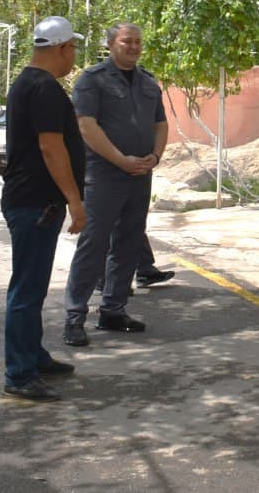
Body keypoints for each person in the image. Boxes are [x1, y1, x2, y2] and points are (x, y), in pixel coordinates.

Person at [62, 23, 168, 347]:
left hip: (141, 173)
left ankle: (113, 310)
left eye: (138, 41)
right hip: (105, 173)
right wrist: (120, 159)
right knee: (94, 243)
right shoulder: (92, 80)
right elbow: (86, 125)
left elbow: (160, 124)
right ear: (110, 44)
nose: (134, 46)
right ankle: (74, 317)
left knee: (129, 242)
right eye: (127, 41)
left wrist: (155, 156)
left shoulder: (149, 82)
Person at [0, 16, 87, 402]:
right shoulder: (45, 89)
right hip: (36, 201)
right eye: (73, 50)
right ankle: (19, 374)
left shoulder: (25, 83)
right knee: (27, 289)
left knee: (31, 286)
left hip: (29, 199)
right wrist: (75, 200)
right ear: (63, 48)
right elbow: (52, 149)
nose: (74, 58)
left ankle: (33, 357)